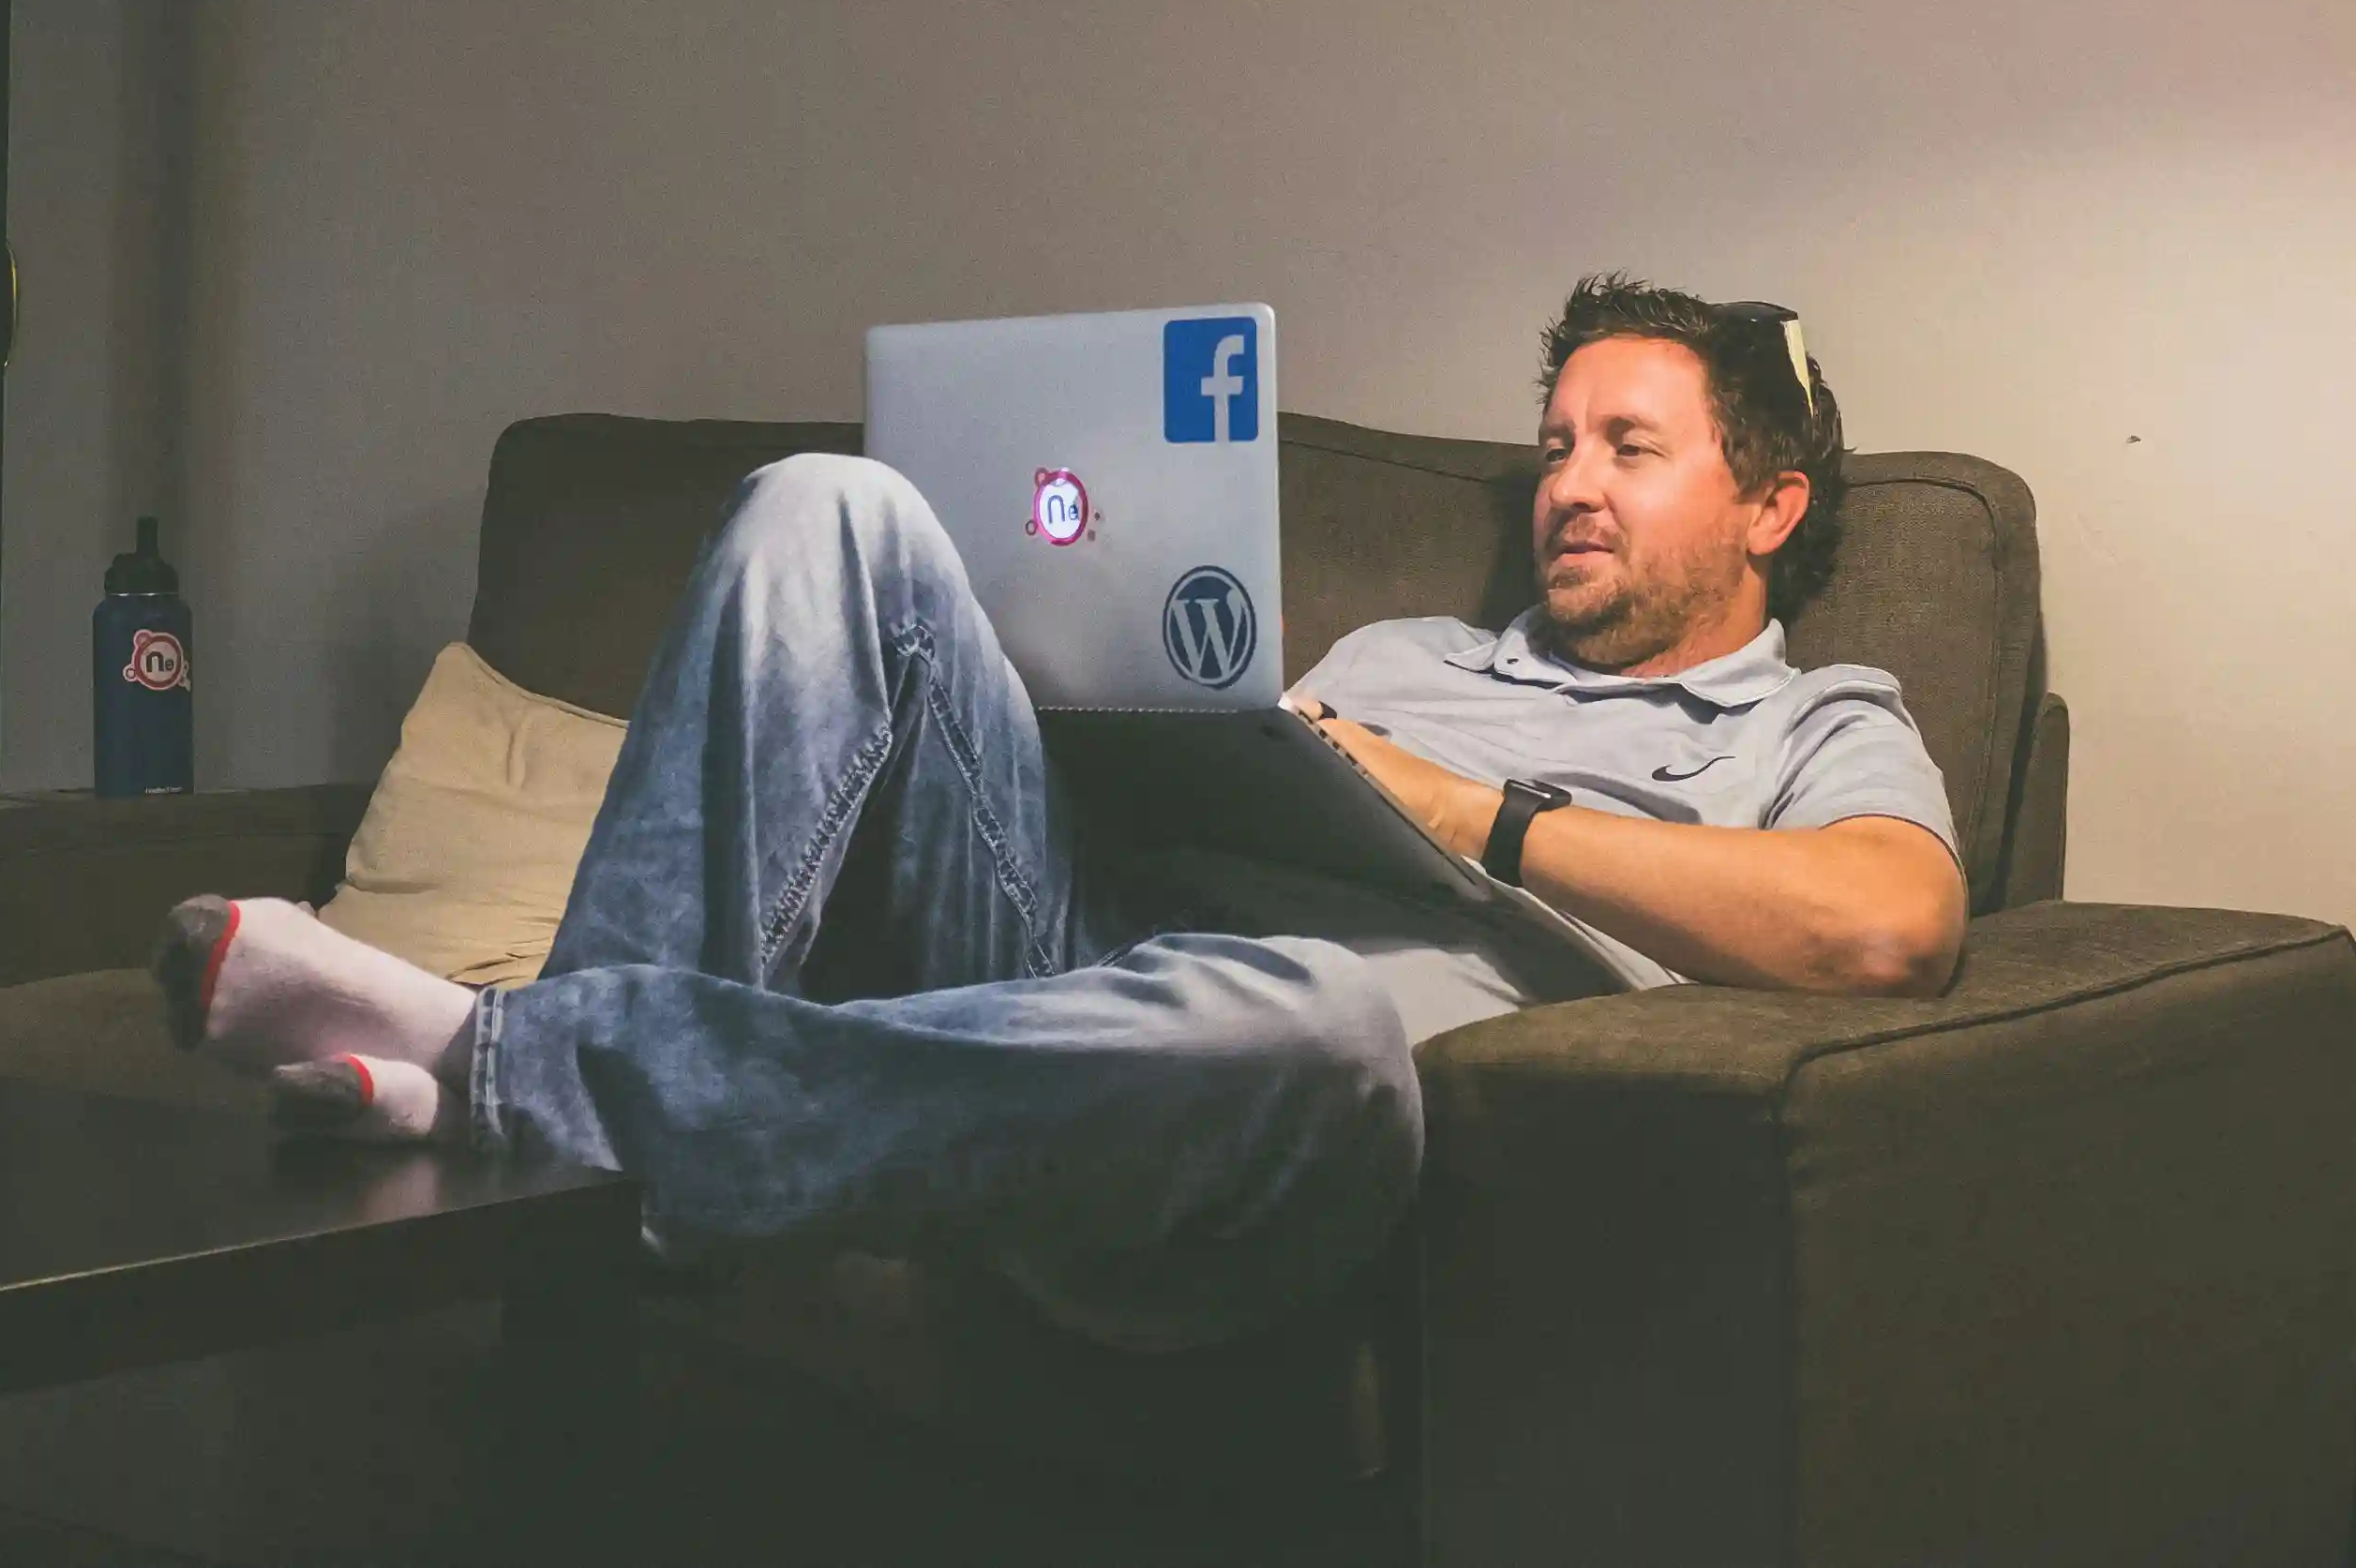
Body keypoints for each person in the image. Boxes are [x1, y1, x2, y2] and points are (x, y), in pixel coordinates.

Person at [157, 276, 1963, 1347]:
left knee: (1318, 1015)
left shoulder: (1807, 723)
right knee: (824, 508)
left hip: (1264, 1122)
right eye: (1557, 442)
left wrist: (1464, 810)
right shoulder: (1406, 645)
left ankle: (515, 1070)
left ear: (1770, 505)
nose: (1567, 485)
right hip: (1063, 953)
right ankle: (580, 1137)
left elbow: (1882, 929)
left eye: (1627, 450)